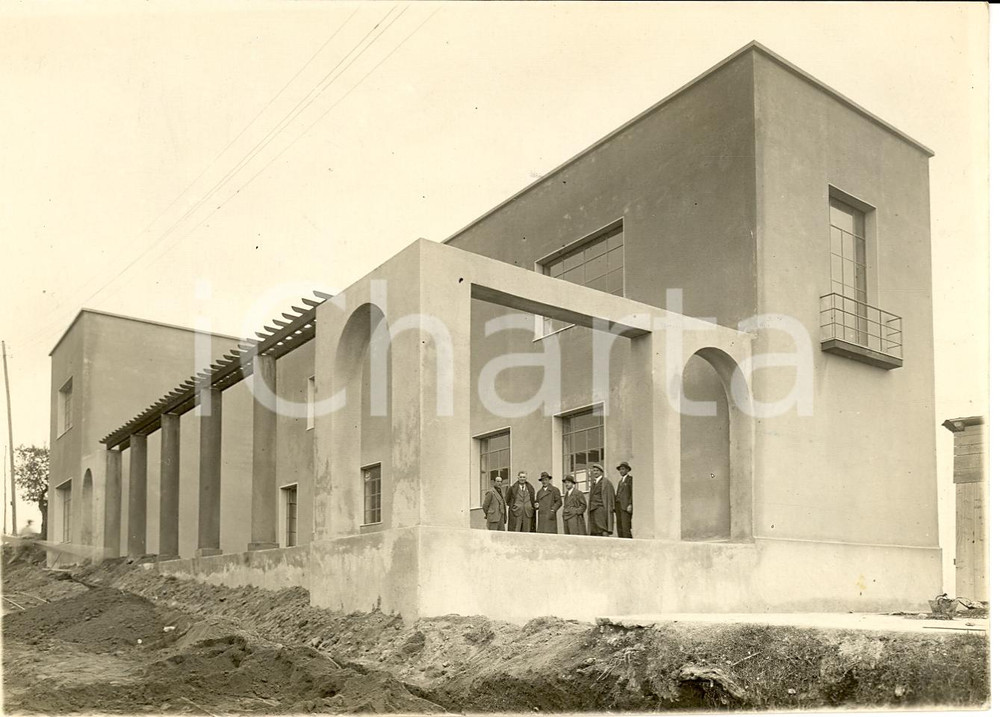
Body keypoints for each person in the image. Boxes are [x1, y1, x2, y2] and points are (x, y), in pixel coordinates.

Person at [587, 463, 615, 537]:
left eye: (597, 470)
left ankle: (606, 542)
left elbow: (610, 496)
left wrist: (610, 508)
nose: (595, 472)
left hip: (600, 508)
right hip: (592, 509)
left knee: (602, 527)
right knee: (594, 529)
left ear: (601, 472)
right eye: (594, 471)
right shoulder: (593, 483)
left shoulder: (606, 482)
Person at [615, 461, 634, 538]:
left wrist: (630, 504)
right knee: (619, 527)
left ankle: (629, 543)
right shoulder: (620, 481)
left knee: (625, 527)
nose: (621, 471)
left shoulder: (630, 479)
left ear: (627, 470)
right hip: (618, 506)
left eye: (623, 469)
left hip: (625, 507)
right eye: (620, 469)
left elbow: (632, 493)